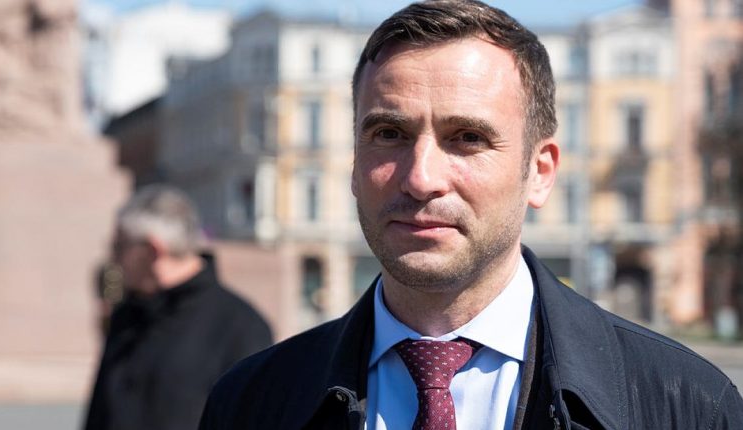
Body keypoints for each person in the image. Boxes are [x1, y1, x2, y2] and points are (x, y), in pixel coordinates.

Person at [199, 1, 743, 429]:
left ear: (540, 172)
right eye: (389, 134)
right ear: (354, 165)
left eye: (467, 138)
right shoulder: (251, 402)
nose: (421, 178)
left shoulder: (686, 404)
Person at [84, 184, 272, 430]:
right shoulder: (128, 314)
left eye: (119, 247)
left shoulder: (242, 326)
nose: (113, 259)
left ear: (152, 251)